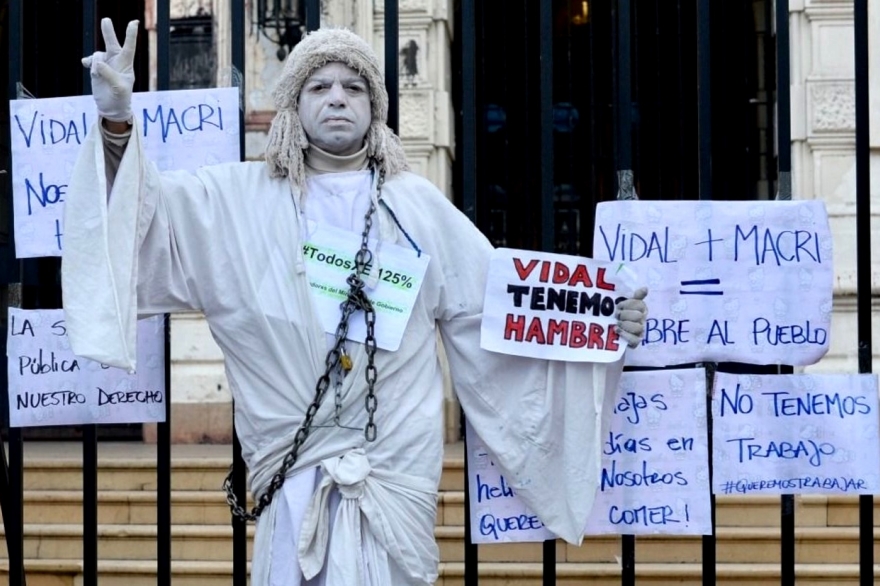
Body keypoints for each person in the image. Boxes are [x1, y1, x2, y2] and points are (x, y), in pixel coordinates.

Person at [63, 19, 649, 586]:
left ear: (375, 107)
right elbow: (143, 219)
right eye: (319, 87)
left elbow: (497, 305)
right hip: (293, 473)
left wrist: (601, 317)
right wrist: (117, 124)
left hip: (395, 470)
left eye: (354, 87)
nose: (338, 98)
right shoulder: (235, 201)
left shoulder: (417, 206)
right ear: (294, 107)